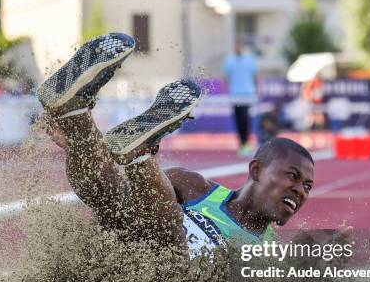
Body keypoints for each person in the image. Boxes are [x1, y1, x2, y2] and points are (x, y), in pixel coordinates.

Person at [42, 32, 350, 256]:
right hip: (124, 263)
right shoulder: (192, 186)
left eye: (307, 187)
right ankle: (74, 113)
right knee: (115, 200)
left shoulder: (268, 253)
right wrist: (81, 145)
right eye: (293, 177)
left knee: (170, 228)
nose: (300, 190)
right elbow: (115, 191)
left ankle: (138, 154)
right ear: (256, 170)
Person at [222, 39, 258, 157]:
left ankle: (246, 143)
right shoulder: (230, 61)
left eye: (239, 45)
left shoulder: (249, 60)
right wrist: (227, 91)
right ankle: (242, 143)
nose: (237, 48)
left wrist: (256, 90)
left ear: (242, 47)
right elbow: (226, 77)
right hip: (235, 95)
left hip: (247, 94)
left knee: (245, 119)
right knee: (238, 120)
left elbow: (255, 75)